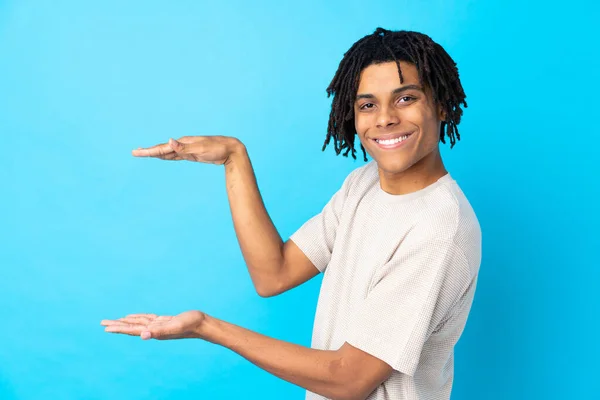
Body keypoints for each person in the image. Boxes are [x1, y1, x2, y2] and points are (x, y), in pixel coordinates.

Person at [101, 27, 482, 400]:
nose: (383, 118)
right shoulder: (363, 184)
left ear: (442, 105)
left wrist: (207, 327)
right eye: (368, 104)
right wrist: (235, 158)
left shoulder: (438, 232)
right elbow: (274, 273)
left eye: (405, 99)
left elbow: (350, 381)